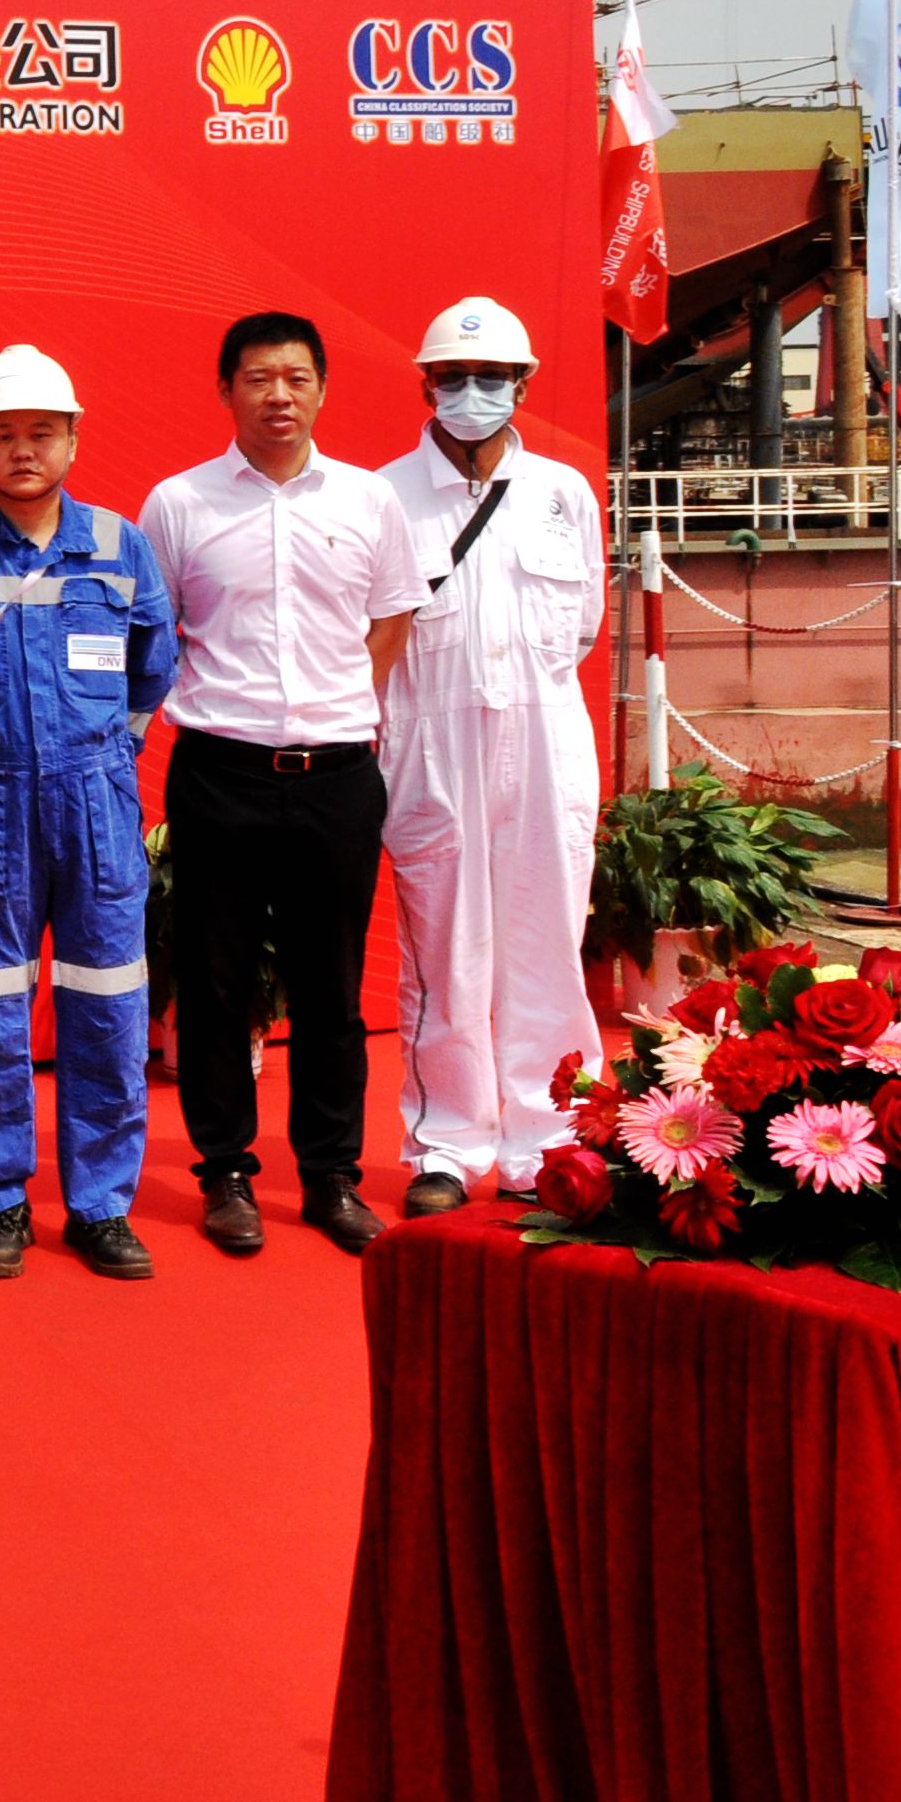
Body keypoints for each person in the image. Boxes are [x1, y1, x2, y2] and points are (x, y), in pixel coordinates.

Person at [140, 313, 426, 1259]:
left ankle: (331, 1175)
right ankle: (225, 1172)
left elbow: (392, 619)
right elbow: (154, 627)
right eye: (259, 378)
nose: (279, 396)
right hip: (220, 771)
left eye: (297, 378)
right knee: (217, 983)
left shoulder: (368, 500)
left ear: (323, 390)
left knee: (331, 985)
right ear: (226, 389)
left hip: (337, 775)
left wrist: (335, 708)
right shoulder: (178, 503)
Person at [0, 345, 174, 1281]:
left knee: (108, 1002)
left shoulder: (120, 545)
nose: (24, 451)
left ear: (73, 439)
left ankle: (102, 1206)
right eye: (4, 435)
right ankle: (1, 1200)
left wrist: (110, 757)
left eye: (42, 434)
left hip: (98, 802)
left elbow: (154, 662)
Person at [377, 296, 606, 1212]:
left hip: (545, 734)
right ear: (425, 386)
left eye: (492, 378)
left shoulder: (563, 494)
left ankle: (551, 1139)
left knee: (549, 944)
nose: (472, 393)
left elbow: (582, 626)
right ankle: (448, 1143)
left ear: (524, 385)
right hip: (429, 741)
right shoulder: (383, 497)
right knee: (444, 953)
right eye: (454, 378)